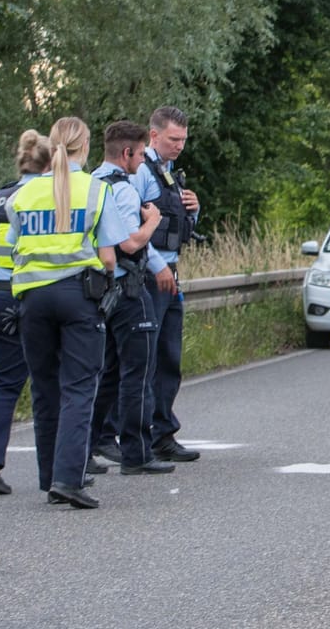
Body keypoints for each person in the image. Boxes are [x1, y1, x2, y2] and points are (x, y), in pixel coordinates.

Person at [12, 116, 131, 507]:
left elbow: (15, 243)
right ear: (86, 146)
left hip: (32, 300)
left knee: (45, 390)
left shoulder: (22, 195)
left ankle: (50, 479)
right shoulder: (95, 191)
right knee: (79, 387)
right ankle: (68, 478)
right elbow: (110, 255)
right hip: (79, 297)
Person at [0, 130, 53, 495]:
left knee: (3, 382)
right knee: (50, 382)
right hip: (34, 296)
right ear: (50, 163)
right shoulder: (46, 196)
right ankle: (57, 470)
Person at [90, 121, 169, 474]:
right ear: (127, 153)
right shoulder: (122, 191)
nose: (141, 161)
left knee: (105, 373)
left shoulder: (89, 183)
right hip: (128, 290)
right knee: (138, 372)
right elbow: (127, 243)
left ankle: (89, 446)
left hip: (96, 291)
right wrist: (152, 221)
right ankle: (137, 453)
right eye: (139, 154)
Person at [134, 105, 200, 463]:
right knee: (148, 359)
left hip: (170, 273)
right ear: (154, 135)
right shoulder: (141, 172)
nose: (179, 146)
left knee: (170, 357)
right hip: (150, 273)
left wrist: (195, 208)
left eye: (184, 140)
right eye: (174, 139)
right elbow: (133, 226)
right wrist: (158, 267)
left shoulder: (168, 172)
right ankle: (140, 438)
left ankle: (163, 433)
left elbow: (177, 222)